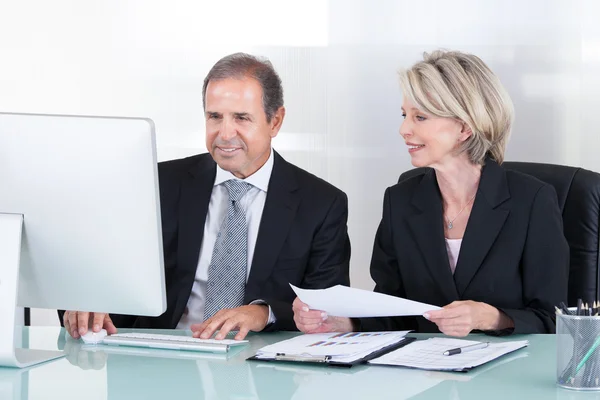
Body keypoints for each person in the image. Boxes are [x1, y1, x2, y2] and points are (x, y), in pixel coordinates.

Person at [61, 53, 351, 340]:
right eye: (215, 117)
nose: (225, 134)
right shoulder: (157, 184)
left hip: (260, 367)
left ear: (275, 121)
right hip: (164, 357)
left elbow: (327, 311)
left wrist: (265, 313)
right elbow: (104, 266)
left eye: (241, 118)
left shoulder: (321, 204)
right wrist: (89, 299)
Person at [293, 50, 569, 336]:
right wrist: (341, 322)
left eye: (420, 117)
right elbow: (393, 311)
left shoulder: (532, 201)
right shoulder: (399, 201)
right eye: (404, 115)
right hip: (425, 373)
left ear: (464, 126)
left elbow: (553, 319)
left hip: (508, 372)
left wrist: (491, 317)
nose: (403, 129)